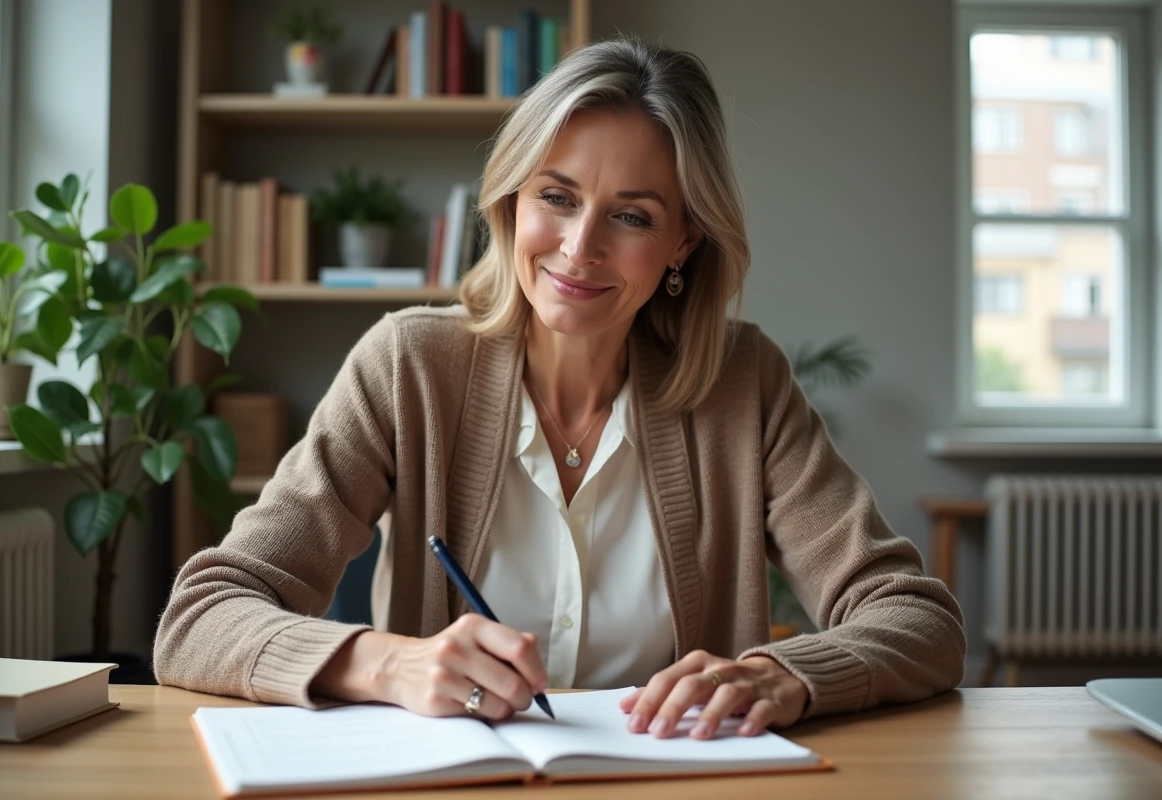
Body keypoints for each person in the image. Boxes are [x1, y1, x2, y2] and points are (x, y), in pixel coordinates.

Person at [154, 37, 965, 740]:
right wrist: (390, 663)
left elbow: (919, 619)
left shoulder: (743, 383)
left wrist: (783, 675)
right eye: (557, 197)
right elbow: (200, 617)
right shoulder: (407, 365)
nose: (580, 248)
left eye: (634, 217)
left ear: (684, 241)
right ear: (513, 200)